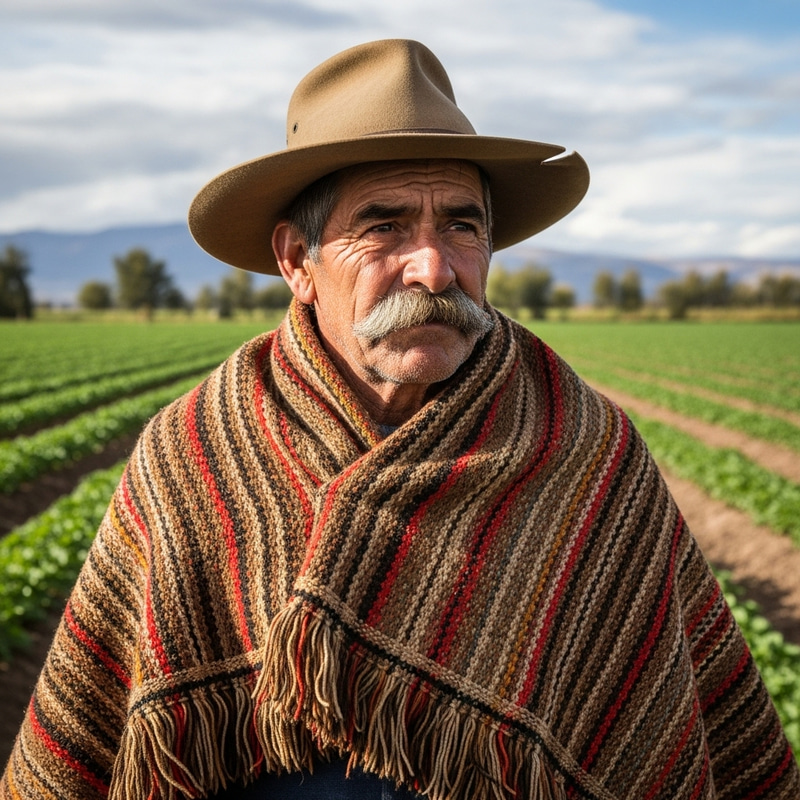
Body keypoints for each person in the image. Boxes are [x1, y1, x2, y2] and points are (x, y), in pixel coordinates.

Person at [1, 38, 798, 800]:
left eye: (462, 224)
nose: (435, 267)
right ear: (295, 262)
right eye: (383, 225)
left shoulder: (584, 448)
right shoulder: (196, 449)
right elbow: (94, 736)